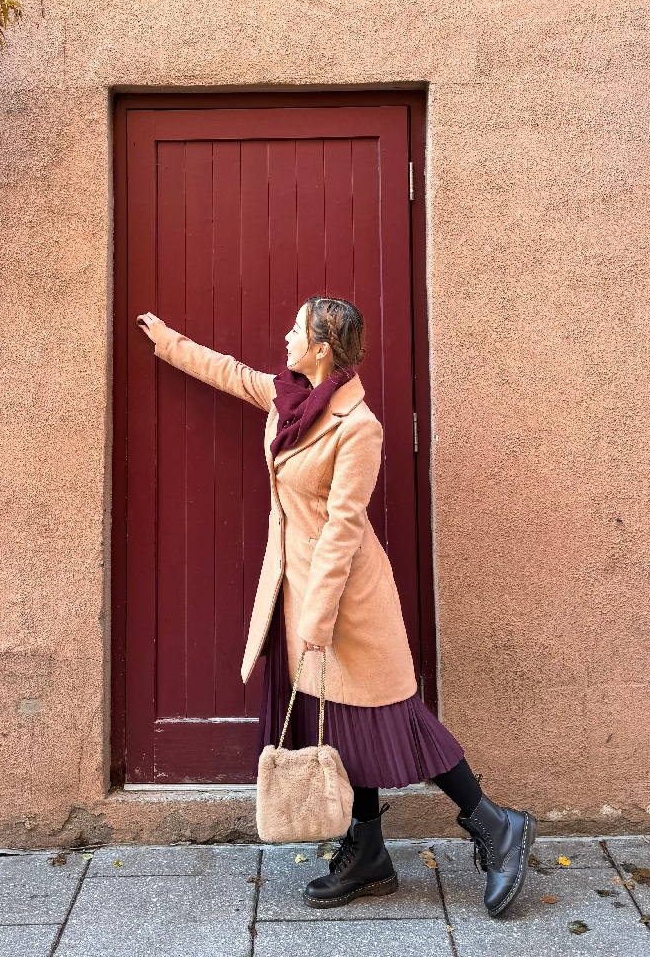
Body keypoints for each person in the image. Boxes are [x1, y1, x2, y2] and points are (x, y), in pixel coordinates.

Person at [136, 296, 535, 917]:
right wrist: (167, 342)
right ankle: (370, 852)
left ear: (322, 349)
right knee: (340, 723)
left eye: (296, 330)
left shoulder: (359, 428)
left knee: (396, 719)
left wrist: (316, 621)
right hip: (304, 596)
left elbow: (345, 529)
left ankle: (495, 824)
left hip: (349, 601)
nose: (285, 336)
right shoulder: (288, 399)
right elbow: (229, 372)